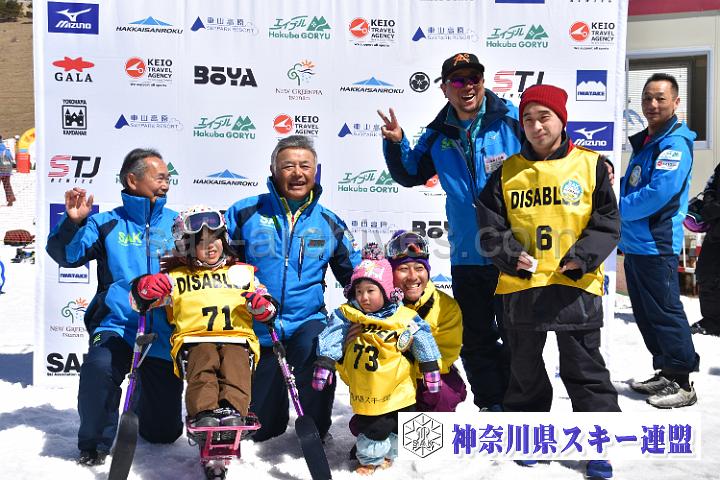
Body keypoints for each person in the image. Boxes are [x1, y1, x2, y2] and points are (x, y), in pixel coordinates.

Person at [476, 84, 619, 479]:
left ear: (561, 120)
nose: (536, 126)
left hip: (575, 286)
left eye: (544, 117)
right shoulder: (506, 172)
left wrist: (583, 256)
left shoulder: (590, 165)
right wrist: (509, 255)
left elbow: (607, 222)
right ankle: (528, 437)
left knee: (585, 370)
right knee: (524, 371)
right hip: (522, 288)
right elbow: (490, 228)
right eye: (528, 119)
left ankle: (599, 443)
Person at [378, 52, 522, 411]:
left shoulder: (512, 119)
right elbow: (410, 173)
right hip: (467, 252)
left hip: (512, 249)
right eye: (458, 80)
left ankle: (519, 404)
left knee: (519, 336)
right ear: (444, 88)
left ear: (483, 82)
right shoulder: (439, 132)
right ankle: (491, 403)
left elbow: (550, 151)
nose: (467, 86)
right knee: (476, 336)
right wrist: (396, 142)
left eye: (474, 78)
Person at [46, 148, 183, 465]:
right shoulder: (105, 223)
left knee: (163, 434)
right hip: (117, 326)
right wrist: (73, 224)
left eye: (167, 178)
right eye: (159, 177)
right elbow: (67, 256)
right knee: (99, 368)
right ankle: (94, 443)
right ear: (133, 180)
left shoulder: (178, 224)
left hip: (164, 334)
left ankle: (143, 396)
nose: (166, 183)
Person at [224, 135, 361, 442]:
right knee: (264, 429)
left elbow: (356, 277)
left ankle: (316, 428)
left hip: (306, 319)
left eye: (305, 166)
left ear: (315, 171)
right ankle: (265, 419)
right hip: (257, 321)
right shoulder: (244, 213)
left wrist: (374, 307)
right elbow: (215, 261)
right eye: (288, 166)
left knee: (318, 349)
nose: (298, 173)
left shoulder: (329, 222)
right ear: (273, 170)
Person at [128, 206, 277, 437]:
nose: (210, 246)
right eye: (201, 242)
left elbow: (268, 307)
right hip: (194, 340)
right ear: (187, 247)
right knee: (204, 360)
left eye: (215, 239)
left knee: (236, 364)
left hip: (238, 339)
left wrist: (262, 307)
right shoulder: (176, 278)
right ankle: (204, 411)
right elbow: (139, 304)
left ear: (224, 240)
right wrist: (144, 289)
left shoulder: (242, 274)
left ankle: (233, 410)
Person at [312, 243, 441, 475]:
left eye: (370, 291)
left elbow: (423, 339)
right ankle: (369, 460)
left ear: (387, 291)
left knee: (397, 421)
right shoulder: (349, 315)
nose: (364, 297)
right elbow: (332, 334)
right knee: (374, 426)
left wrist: (430, 367)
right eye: (359, 291)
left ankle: (389, 453)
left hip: (398, 385)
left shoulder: (403, 317)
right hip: (369, 386)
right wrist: (325, 363)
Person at [620, 73, 699, 408]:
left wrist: (616, 209)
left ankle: (683, 381)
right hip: (637, 245)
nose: (652, 104)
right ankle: (666, 371)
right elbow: (635, 184)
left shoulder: (674, 144)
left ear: (676, 102)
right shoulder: (649, 142)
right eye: (647, 98)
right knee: (647, 314)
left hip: (656, 245)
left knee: (665, 313)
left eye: (660, 98)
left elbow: (658, 194)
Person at [385, 230, 466, 411]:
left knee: (444, 394)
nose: (413, 277)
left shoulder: (446, 307)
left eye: (419, 268)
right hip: (388, 379)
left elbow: (445, 356)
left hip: (426, 377)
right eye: (403, 269)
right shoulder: (376, 305)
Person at [689, 165, 720, 336]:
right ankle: (712, 322)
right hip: (716, 230)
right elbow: (711, 185)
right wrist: (710, 201)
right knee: (706, 273)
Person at [0, 136, 16, 207]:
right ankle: (10, 199)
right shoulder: (6, 149)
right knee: (7, 186)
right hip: (7, 170)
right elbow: (11, 159)